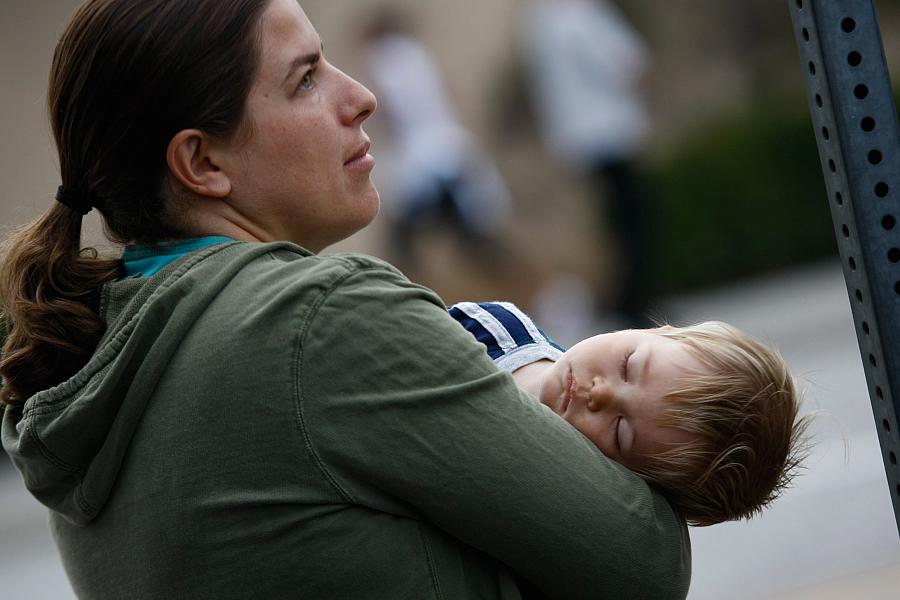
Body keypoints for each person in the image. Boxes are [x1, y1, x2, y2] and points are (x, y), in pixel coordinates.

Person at [0, 1, 690, 598]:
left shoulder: (89, 357)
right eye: (304, 79)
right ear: (203, 164)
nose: (361, 96)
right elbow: (641, 559)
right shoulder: (320, 318)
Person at [449, 301, 809, 527]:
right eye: (629, 364)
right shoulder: (493, 327)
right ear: (658, 330)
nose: (600, 392)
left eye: (620, 432)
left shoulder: (532, 505)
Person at [521, 0, 656, 326]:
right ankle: (635, 300)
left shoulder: (539, 22)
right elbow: (622, 61)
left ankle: (628, 298)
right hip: (609, 128)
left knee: (618, 218)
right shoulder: (579, 14)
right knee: (635, 219)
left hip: (579, 134)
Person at [359, 7, 513, 279]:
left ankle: (401, 291)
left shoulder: (383, 57)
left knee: (402, 242)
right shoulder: (416, 53)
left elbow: (390, 111)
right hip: (453, 150)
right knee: (476, 241)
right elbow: (449, 92)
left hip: (422, 164)